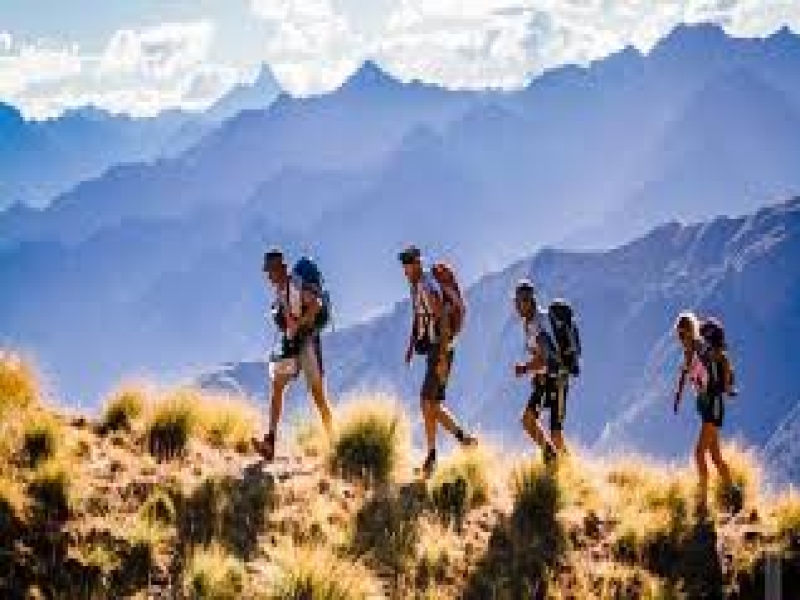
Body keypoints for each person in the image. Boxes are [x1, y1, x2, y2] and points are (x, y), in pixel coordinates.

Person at [399, 245, 477, 478]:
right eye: (404, 264)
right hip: (438, 348)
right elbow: (419, 316)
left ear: (418, 263)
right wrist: (411, 345)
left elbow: (441, 317)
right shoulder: (417, 286)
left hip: (440, 349)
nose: (406, 269)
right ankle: (465, 441)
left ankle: (432, 457)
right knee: (432, 405)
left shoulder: (425, 286)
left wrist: (442, 356)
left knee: (426, 402)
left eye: (409, 264)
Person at [254, 249, 334, 461]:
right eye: (267, 272)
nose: (268, 276)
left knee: (318, 397)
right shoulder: (281, 292)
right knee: (277, 386)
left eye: (271, 271)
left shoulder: (295, 286)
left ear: (281, 269)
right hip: (292, 345)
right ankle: (270, 441)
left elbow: (316, 305)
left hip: (308, 343)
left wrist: (299, 324)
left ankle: (334, 444)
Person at [673, 311, 742, 512]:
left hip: (714, 404)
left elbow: (724, 359)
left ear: (691, 330)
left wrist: (727, 388)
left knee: (698, 453)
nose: (680, 338)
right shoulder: (688, 352)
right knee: (715, 457)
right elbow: (684, 373)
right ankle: (735, 494)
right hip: (705, 406)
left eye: (683, 333)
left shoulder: (701, 348)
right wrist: (678, 395)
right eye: (678, 334)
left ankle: (702, 503)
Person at [512, 279, 567, 463]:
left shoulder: (538, 325)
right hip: (547, 378)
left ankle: (561, 463)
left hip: (557, 380)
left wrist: (525, 368)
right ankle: (553, 457)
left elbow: (545, 358)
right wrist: (536, 373)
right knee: (529, 421)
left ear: (528, 302)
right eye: (515, 301)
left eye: (519, 301)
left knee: (554, 432)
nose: (516, 306)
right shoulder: (531, 322)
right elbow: (543, 356)